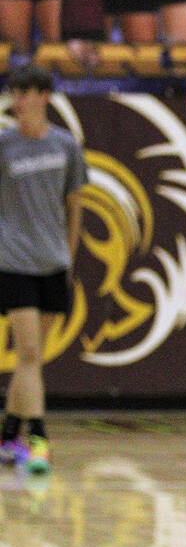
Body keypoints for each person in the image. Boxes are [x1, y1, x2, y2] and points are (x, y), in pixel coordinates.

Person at [0, 65, 88, 475]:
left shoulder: (66, 146)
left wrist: (68, 257)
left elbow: (75, 206)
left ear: (44, 97)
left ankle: (7, 433)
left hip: (53, 263)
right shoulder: (4, 146)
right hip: (13, 262)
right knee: (31, 352)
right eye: (13, 93)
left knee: (30, 361)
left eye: (24, 93)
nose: (16, 101)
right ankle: (37, 442)